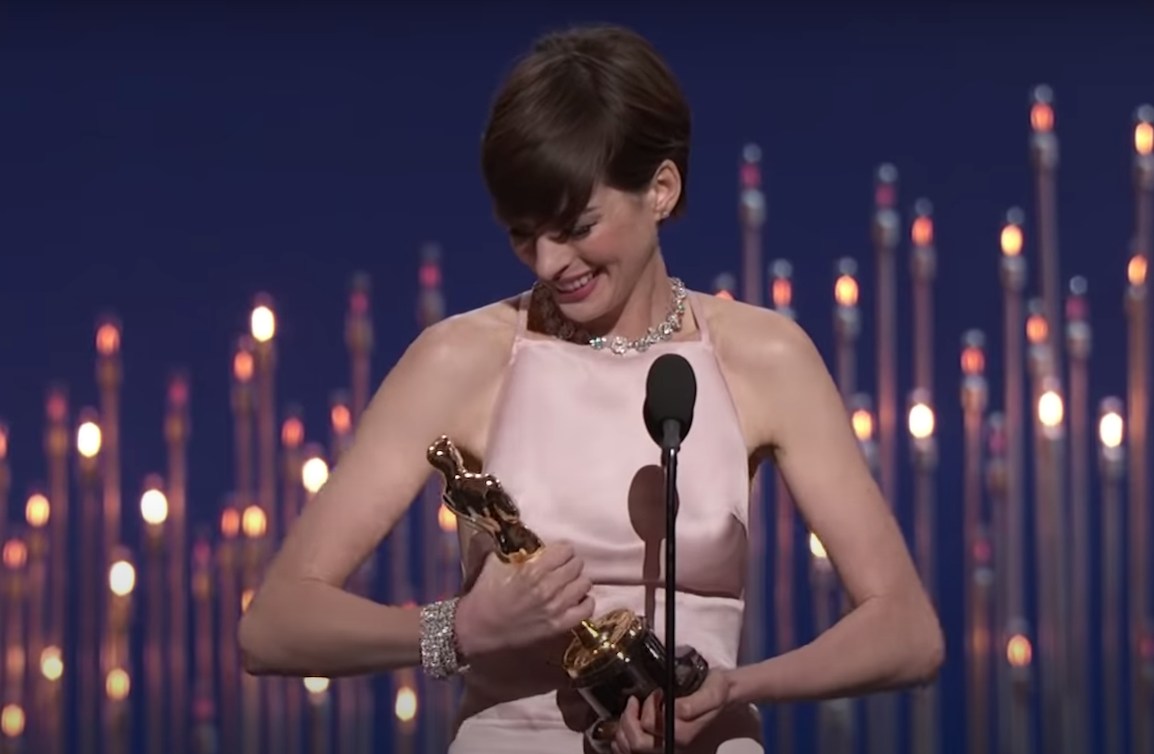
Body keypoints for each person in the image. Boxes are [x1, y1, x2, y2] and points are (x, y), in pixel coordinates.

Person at [238, 24, 944, 754]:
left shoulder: (764, 357)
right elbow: (275, 624)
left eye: (577, 227)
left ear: (661, 189)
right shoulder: (462, 358)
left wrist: (736, 688)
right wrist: (461, 628)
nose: (549, 261)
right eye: (523, 233)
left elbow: (907, 631)